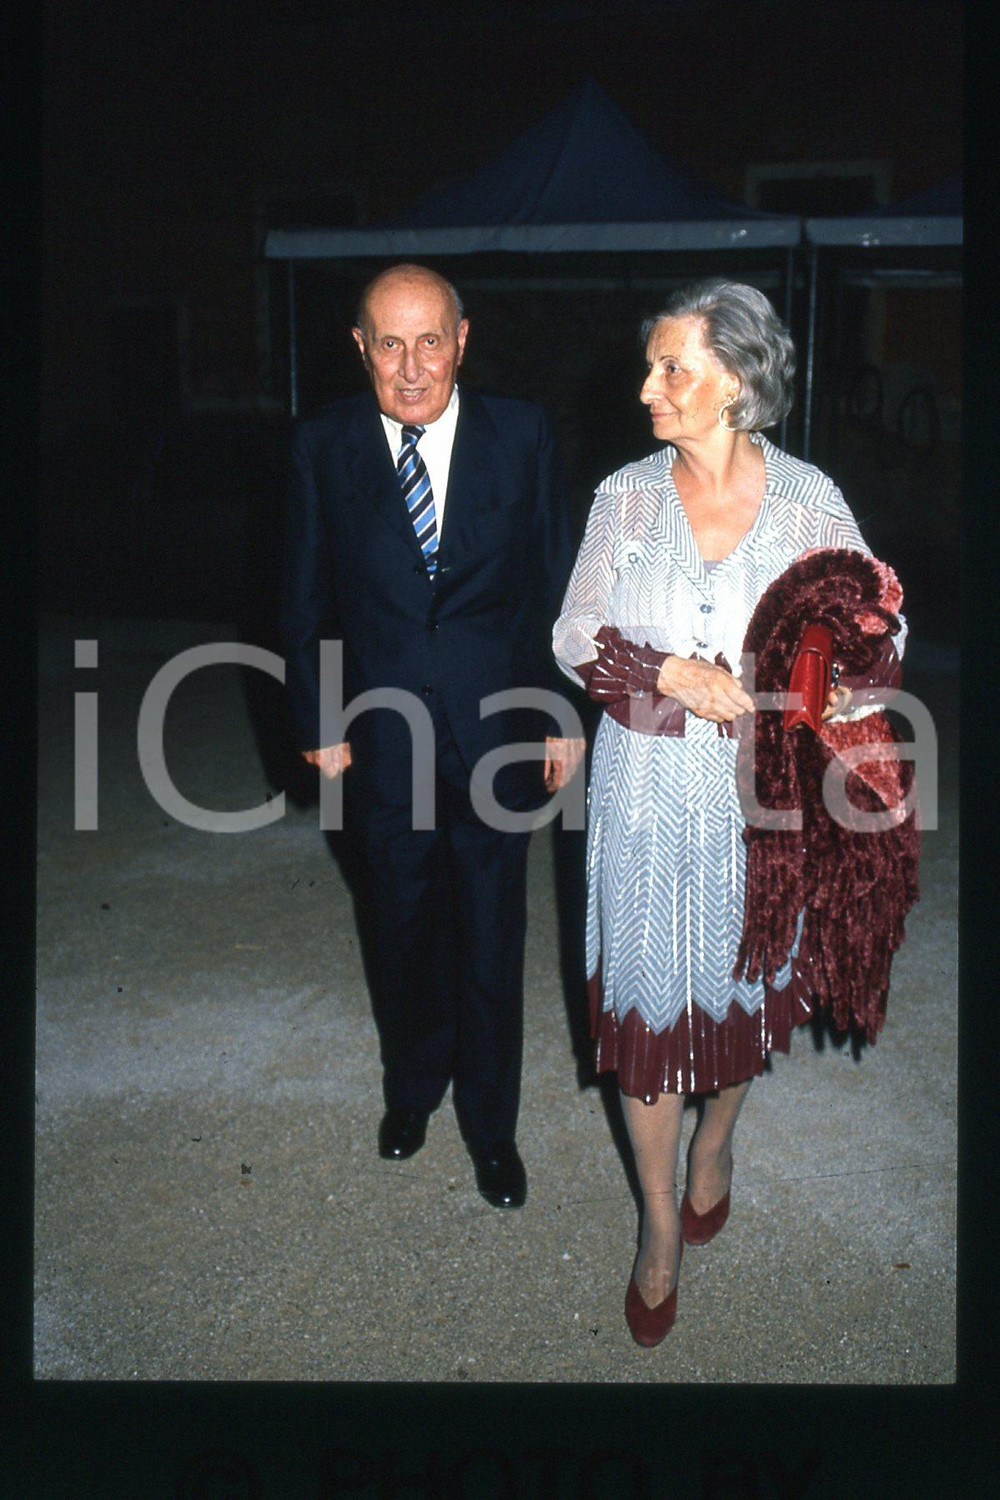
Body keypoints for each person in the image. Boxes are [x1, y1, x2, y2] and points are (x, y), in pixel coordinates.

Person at [553, 278, 905, 1343]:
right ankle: (658, 1224)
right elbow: (570, 634)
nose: (647, 385)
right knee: (648, 1010)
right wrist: (665, 671)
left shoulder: (808, 502)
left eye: (674, 367)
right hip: (645, 794)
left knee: (742, 989)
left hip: (765, 804)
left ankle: (718, 1141)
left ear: (739, 383)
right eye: (653, 363)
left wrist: (848, 681)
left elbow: (878, 621)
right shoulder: (623, 496)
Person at [282, 263, 584, 1209]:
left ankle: (491, 1129)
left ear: (462, 339)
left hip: (497, 731)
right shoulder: (322, 445)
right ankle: (413, 1091)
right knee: (402, 927)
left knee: (493, 936)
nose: (411, 368)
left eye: (429, 342)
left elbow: (555, 587)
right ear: (360, 347)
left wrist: (564, 715)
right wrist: (317, 719)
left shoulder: (523, 434)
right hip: (379, 739)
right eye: (389, 343)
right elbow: (301, 596)